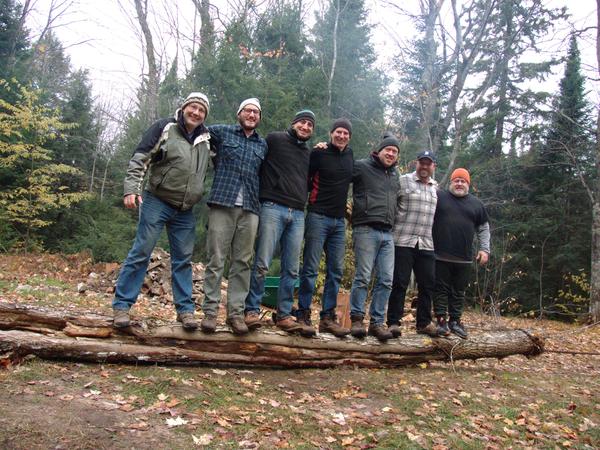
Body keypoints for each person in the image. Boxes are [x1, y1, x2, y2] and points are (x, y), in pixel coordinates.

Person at [112, 93, 211, 330]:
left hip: (185, 209)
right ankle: (122, 306)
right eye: (193, 107)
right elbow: (140, 158)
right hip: (157, 201)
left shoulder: (207, 139)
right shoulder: (165, 127)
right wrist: (131, 189)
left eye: (201, 110)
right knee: (141, 251)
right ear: (184, 107)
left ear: (205, 116)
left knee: (183, 261)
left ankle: (186, 312)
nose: (196, 113)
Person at [244, 110, 317, 336]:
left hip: (297, 213)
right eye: (302, 123)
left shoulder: (309, 153)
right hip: (272, 207)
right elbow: (256, 158)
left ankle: (284, 314)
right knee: (263, 261)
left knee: (291, 268)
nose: (305, 127)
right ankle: (252, 310)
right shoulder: (275, 139)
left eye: (309, 125)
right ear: (294, 123)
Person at [201, 98, 267, 335]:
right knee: (216, 258)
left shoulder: (263, 144)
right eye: (248, 111)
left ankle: (235, 314)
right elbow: (196, 128)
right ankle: (209, 312)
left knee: (242, 263)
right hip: (222, 203)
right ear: (239, 113)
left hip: (250, 208)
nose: (252, 115)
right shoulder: (222, 132)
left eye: (256, 112)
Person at [296, 119, 354, 338]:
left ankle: (327, 318)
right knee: (310, 268)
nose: (341, 136)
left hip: (340, 222)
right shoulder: (318, 153)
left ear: (349, 137)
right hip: (318, 216)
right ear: (331, 134)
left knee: (335, 271)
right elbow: (307, 179)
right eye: (338, 132)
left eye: (345, 133)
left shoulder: (350, 156)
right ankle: (302, 314)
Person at [348, 133, 401, 342]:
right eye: (388, 149)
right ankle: (357, 319)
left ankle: (377, 323)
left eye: (395, 151)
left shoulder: (395, 175)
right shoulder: (361, 166)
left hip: (388, 233)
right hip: (366, 229)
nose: (390, 153)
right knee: (363, 276)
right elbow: (339, 174)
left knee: (386, 279)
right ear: (379, 150)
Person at [432, 168, 490, 338]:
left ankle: (455, 322)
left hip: (464, 257)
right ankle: (441, 321)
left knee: (458, 291)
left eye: (462, 181)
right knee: (440, 290)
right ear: (451, 182)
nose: (459, 183)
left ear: (468, 184)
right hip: (439, 254)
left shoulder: (477, 204)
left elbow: (484, 229)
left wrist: (484, 249)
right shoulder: (439, 197)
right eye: (456, 180)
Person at [387, 150, 439, 337]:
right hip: (402, 240)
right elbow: (390, 206)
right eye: (422, 163)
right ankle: (393, 322)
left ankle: (424, 323)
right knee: (399, 282)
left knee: (427, 284)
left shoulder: (435, 187)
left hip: (426, 243)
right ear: (416, 163)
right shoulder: (403, 180)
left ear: (433, 166)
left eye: (428, 163)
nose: (424, 166)